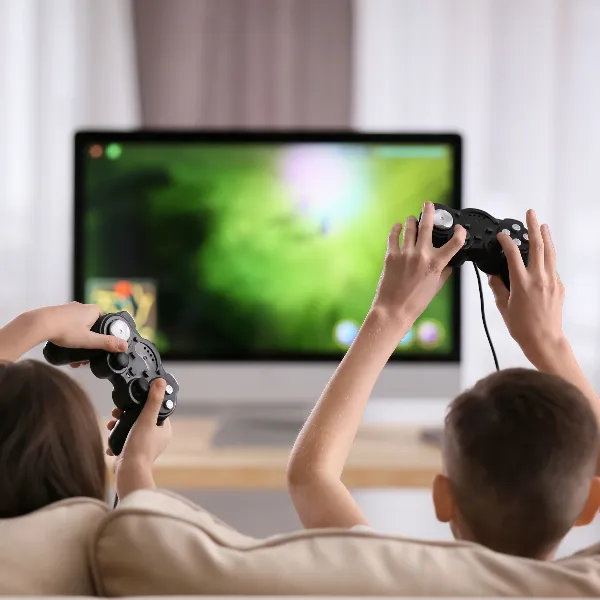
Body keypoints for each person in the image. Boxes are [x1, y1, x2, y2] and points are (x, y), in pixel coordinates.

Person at [287, 202, 600, 560]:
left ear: (442, 497)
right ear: (590, 503)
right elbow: (310, 478)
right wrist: (550, 343)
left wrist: (389, 313)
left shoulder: (395, 582)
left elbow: (309, 477)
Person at [0, 302, 171, 518]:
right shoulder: (104, 547)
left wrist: (36, 324)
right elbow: (149, 537)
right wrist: (135, 465)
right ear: (84, 467)